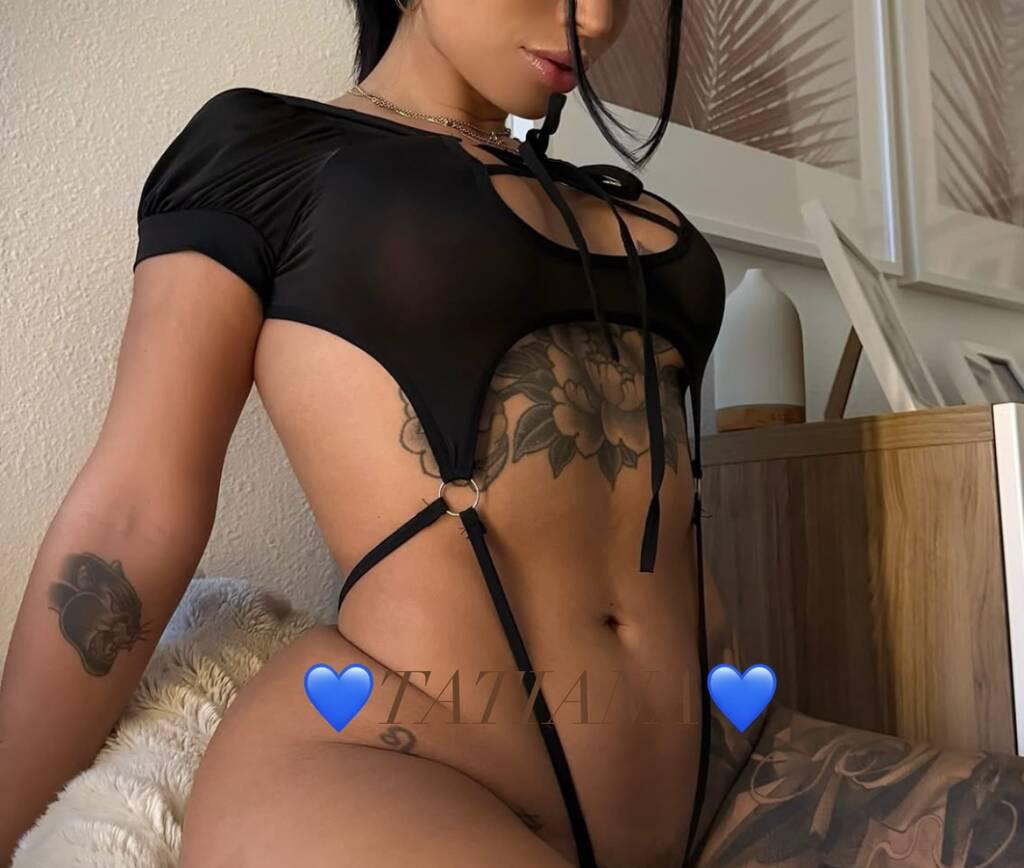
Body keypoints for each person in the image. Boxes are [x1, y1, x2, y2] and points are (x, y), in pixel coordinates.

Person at [4, 1, 1024, 867]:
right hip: (401, 768)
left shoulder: (607, 198)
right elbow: (133, 512)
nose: (599, 20)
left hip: (726, 767)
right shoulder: (263, 151)